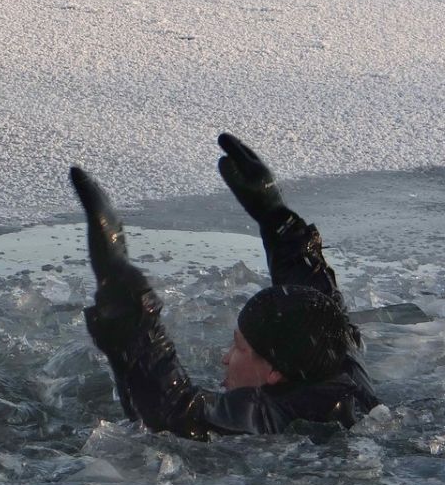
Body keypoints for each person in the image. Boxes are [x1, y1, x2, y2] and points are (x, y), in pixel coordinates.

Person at [70, 133, 378, 440]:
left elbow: (175, 413)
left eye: (240, 348)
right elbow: (321, 308)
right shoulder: (340, 365)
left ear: (274, 373)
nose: (225, 357)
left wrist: (122, 293)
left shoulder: (277, 415)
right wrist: (276, 217)